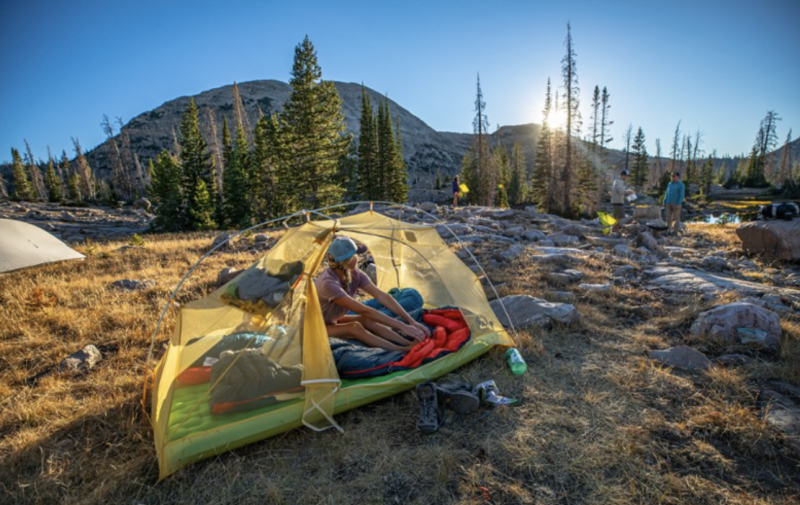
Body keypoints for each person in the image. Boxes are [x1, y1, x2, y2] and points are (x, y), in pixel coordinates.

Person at [316, 236, 431, 352]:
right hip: (316, 328)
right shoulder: (328, 284)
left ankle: (408, 343)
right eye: (356, 255)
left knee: (366, 320)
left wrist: (411, 321)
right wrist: (402, 326)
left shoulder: (354, 273)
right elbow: (365, 310)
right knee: (355, 327)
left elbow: (382, 296)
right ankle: (401, 349)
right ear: (349, 260)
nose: (358, 257)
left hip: (332, 319)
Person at [610, 169, 633, 235]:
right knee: (619, 218)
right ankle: (614, 232)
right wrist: (628, 191)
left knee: (617, 217)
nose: (627, 178)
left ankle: (614, 231)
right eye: (627, 176)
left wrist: (627, 192)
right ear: (623, 176)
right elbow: (620, 191)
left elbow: (620, 191)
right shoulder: (619, 182)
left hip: (617, 202)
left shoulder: (617, 181)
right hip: (617, 202)